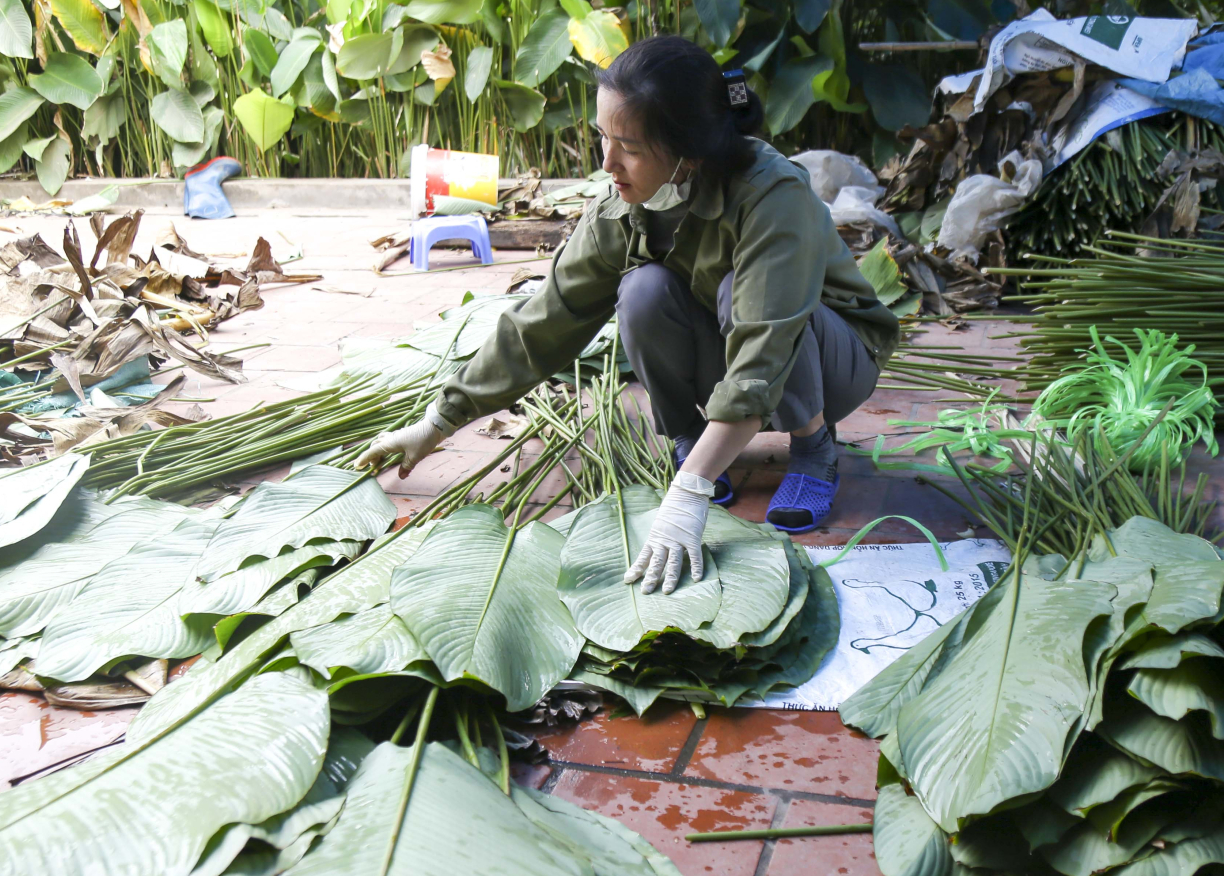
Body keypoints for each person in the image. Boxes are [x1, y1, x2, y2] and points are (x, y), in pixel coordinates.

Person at [358, 35, 898, 592]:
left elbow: (762, 353)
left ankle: (815, 448)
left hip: (830, 359)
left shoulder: (772, 197)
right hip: (737, 350)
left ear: (689, 153)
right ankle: (694, 442)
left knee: (747, 292)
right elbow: (545, 321)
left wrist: (685, 496)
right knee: (641, 292)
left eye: (630, 147)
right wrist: (437, 422)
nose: (607, 163)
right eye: (602, 138)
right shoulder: (625, 207)